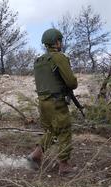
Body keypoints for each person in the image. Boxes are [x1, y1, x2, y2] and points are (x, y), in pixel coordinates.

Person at [27, 28, 78, 176]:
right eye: (60, 41)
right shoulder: (59, 58)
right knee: (64, 131)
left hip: (43, 102)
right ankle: (64, 165)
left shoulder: (38, 61)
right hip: (56, 103)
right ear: (56, 42)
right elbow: (71, 82)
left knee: (52, 131)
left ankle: (35, 155)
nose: (61, 43)